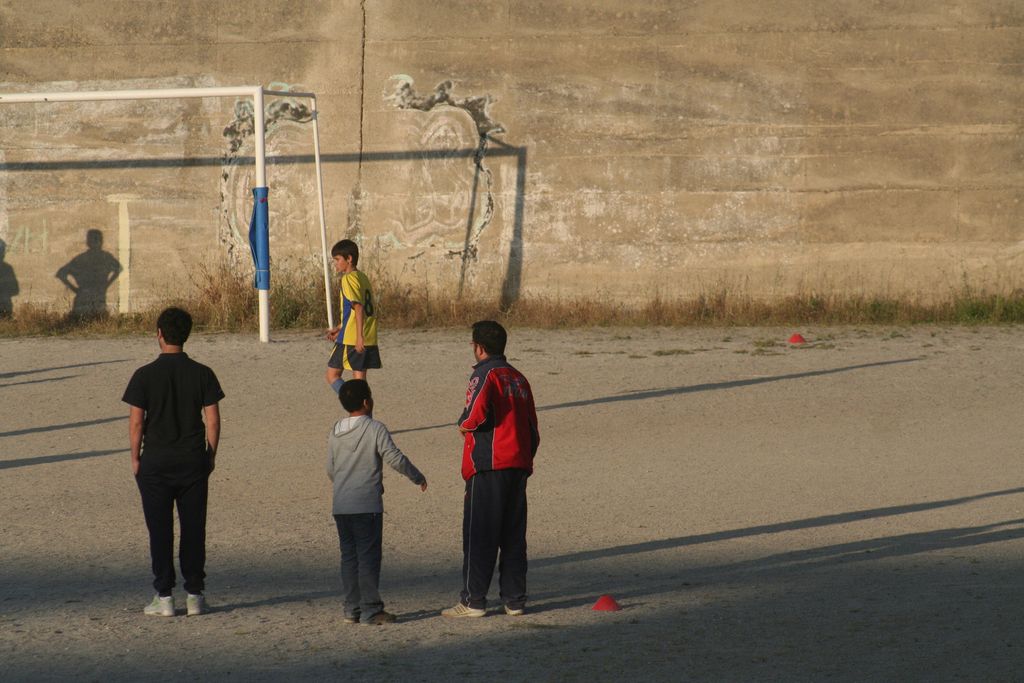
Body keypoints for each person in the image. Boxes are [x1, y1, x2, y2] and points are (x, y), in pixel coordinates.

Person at [122, 307, 224, 617]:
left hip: (155, 461)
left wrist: (135, 457)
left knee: (160, 530)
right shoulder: (203, 373)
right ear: (187, 335)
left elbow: (137, 423)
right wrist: (210, 455)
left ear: (159, 334)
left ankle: (164, 595)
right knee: (194, 528)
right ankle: (195, 594)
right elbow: (213, 420)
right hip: (192, 460)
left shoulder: (144, 375)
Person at [442, 320, 540, 618]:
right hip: (518, 465)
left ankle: (473, 600)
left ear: (479, 348)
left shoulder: (485, 374)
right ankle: (514, 600)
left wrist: (463, 425)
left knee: (480, 534)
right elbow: (533, 429)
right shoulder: (519, 378)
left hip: (489, 465)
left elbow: (475, 414)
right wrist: (523, 458)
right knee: (513, 537)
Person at [328, 379, 427, 625]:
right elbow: (395, 458)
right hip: (366, 505)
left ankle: (351, 609)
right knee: (368, 557)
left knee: (349, 557)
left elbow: (331, 468)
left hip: (341, 505)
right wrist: (417, 476)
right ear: (367, 402)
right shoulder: (375, 429)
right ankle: (371, 609)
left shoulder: (335, 430)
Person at [324, 239, 380, 394]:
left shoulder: (347, 279)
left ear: (349, 259)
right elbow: (355, 311)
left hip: (352, 338)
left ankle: (354, 404)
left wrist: (358, 337)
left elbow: (358, 307)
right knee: (360, 381)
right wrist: (340, 328)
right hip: (368, 334)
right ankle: (364, 408)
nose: (335, 264)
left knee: (332, 375)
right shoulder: (362, 277)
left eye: (337, 259)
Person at [55, 228, 122, 319]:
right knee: (94, 321)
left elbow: (61, 273)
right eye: (94, 239)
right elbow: (61, 273)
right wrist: (106, 285)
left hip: (89, 298)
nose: (96, 242)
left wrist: (76, 289)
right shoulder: (103, 257)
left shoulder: (85, 258)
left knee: (89, 321)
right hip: (90, 299)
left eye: (96, 239)